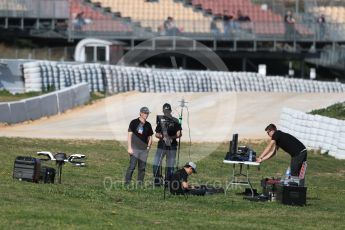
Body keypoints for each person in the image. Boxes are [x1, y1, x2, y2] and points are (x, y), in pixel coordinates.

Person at [153, 103, 182, 186]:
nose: (166, 112)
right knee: (156, 163)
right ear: (163, 111)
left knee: (170, 164)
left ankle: (168, 181)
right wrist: (163, 137)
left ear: (171, 111)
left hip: (172, 146)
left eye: (168, 111)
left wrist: (171, 138)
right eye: (165, 111)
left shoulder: (176, 120)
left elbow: (179, 134)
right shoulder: (160, 120)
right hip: (161, 145)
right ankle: (157, 181)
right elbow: (156, 134)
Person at [124, 106, 154, 185]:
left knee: (142, 168)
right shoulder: (134, 122)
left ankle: (140, 184)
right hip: (134, 149)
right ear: (140, 113)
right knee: (132, 166)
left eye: (147, 113)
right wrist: (129, 148)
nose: (146, 115)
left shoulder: (148, 124)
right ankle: (127, 183)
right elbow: (129, 135)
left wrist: (148, 147)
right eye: (145, 113)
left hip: (144, 150)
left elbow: (150, 137)